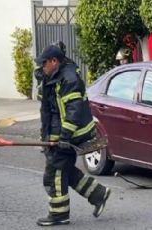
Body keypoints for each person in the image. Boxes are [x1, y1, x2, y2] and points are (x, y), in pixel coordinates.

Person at [34, 44, 111, 226]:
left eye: (44, 63)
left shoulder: (69, 79)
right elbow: (49, 108)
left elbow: (73, 111)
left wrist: (64, 137)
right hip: (55, 133)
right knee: (65, 170)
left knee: (55, 174)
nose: (41, 67)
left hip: (69, 134)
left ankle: (59, 214)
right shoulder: (53, 76)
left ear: (54, 61)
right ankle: (98, 193)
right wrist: (45, 136)